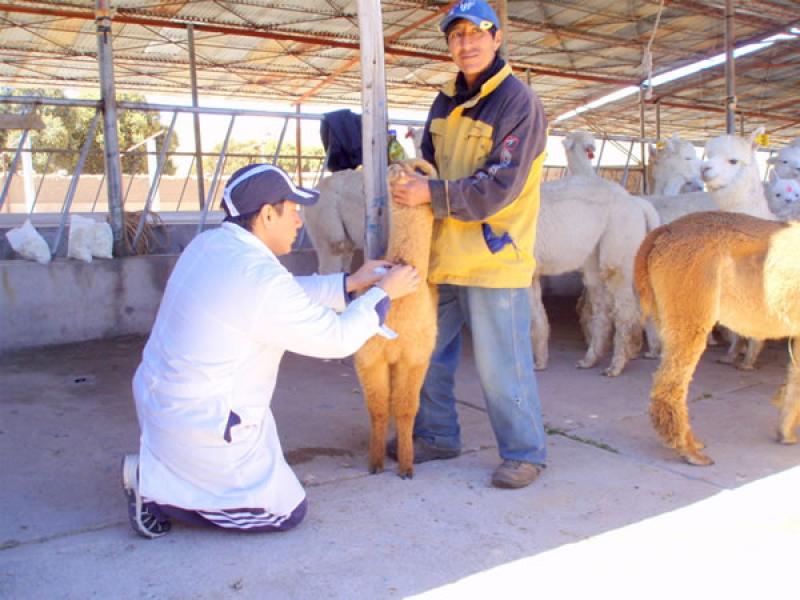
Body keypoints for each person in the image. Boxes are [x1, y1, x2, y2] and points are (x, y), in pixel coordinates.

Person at [123, 163, 420, 538]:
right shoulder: (258, 278)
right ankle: (153, 489)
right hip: (202, 424)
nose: (299, 220)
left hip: (167, 403)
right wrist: (383, 293)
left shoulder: (211, 245)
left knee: (267, 464)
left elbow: (281, 293)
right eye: (292, 209)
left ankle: (164, 468)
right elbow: (337, 338)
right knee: (283, 513)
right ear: (266, 215)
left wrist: (352, 281)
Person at [388, 0, 549, 489]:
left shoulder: (518, 102)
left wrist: (429, 193)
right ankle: (437, 433)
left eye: (477, 33)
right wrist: (412, 179)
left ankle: (525, 453)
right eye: (456, 36)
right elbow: (432, 165)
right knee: (429, 352)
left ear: (497, 39)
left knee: (502, 363)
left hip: (492, 253)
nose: (467, 43)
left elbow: (501, 184)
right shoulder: (444, 102)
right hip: (442, 252)